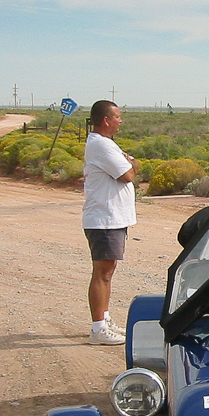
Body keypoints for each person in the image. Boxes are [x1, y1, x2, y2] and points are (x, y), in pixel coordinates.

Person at [82, 100, 139, 345]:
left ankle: (103, 320)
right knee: (102, 273)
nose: (120, 121)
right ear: (106, 120)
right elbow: (127, 173)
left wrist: (129, 162)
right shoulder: (102, 146)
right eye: (117, 117)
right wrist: (133, 163)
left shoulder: (105, 144)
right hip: (104, 219)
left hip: (111, 218)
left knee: (107, 272)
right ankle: (98, 329)